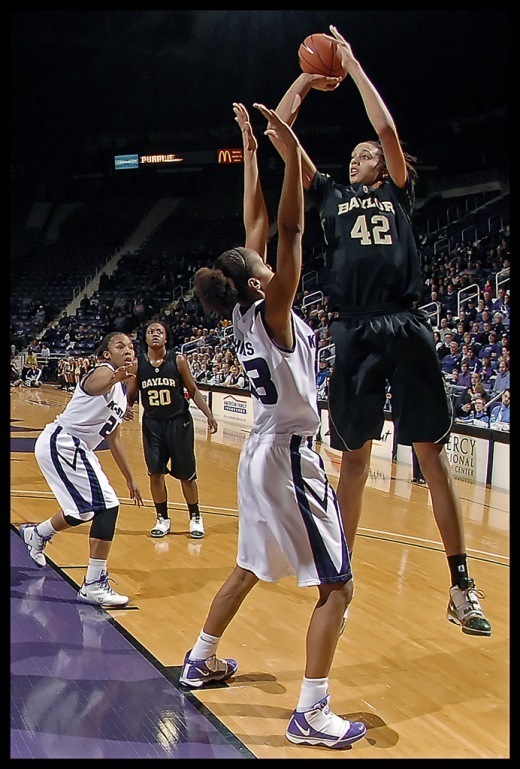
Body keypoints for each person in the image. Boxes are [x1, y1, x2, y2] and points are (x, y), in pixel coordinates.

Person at [268, 24, 490, 636]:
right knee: (355, 461)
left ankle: (461, 584)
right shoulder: (331, 195)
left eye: (365, 154)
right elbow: (281, 136)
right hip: (354, 330)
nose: (358, 157)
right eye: (356, 154)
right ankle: (341, 572)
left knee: (431, 457)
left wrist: (354, 65)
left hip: (405, 322)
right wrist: (308, 81)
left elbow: (387, 131)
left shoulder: (396, 191)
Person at [182, 102, 366, 750]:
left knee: (247, 566)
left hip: (262, 452)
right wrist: (290, 156)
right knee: (338, 586)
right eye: (261, 264)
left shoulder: (243, 310)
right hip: (288, 455)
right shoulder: (274, 309)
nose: (270, 261)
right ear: (257, 280)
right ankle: (310, 712)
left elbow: (256, 225)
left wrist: (251, 150)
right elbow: (286, 228)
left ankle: (200, 657)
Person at [19, 332, 144, 608]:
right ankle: (93, 584)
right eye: (119, 346)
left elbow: (114, 438)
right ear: (106, 354)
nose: (127, 350)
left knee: (85, 511)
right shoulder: (103, 372)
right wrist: (115, 377)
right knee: (108, 505)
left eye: (131, 347)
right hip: (63, 441)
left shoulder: (122, 394)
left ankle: (38, 533)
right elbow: (96, 385)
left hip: (74, 447)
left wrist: (131, 478)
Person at [126, 319, 218, 540]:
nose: (155, 334)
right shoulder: (138, 365)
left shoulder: (178, 361)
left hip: (179, 423)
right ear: (145, 338)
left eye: (159, 331)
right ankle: (162, 518)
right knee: (155, 473)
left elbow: (193, 390)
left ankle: (195, 517)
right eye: (150, 331)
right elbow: (129, 396)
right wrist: (125, 408)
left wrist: (209, 414)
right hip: (152, 425)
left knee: (187, 475)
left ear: (166, 337)